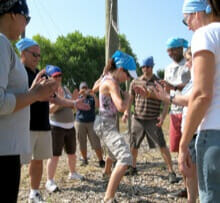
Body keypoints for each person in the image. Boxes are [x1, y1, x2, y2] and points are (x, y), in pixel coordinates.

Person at [0, 1, 57, 202]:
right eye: (27, 18)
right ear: (14, 14)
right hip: (4, 151)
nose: (26, 24)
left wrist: (35, 92)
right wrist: (35, 95)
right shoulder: (1, 43)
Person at [179, 0, 220, 202]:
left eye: (186, 19)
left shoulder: (205, 34)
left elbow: (202, 95)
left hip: (213, 133)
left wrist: (183, 142)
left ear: (198, 13)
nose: (188, 26)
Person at [122, 56, 177, 184]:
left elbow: (166, 102)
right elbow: (130, 99)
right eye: (143, 67)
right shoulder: (135, 82)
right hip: (138, 119)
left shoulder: (158, 82)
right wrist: (126, 112)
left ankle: (171, 171)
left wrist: (163, 116)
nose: (145, 69)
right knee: (133, 145)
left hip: (153, 119)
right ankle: (132, 167)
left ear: (152, 67)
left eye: (148, 66)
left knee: (162, 146)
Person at [154, 48, 198, 202]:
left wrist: (168, 95)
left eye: (188, 60)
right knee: (188, 168)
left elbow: (191, 100)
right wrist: (168, 93)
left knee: (193, 170)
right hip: (191, 130)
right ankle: (189, 195)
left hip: (197, 132)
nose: (186, 64)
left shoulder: (201, 78)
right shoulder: (192, 80)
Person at [94, 50, 137, 202]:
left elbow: (94, 88)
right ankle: (108, 197)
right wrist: (129, 98)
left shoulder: (107, 78)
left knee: (113, 152)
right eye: (128, 75)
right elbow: (120, 106)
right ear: (120, 69)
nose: (128, 78)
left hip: (103, 122)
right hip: (106, 124)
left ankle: (106, 175)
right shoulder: (112, 83)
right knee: (125, 157)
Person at [45, 65, 85, 193]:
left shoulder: (65, 89)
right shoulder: (48, 91)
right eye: (55, 76)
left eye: (60, 75)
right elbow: (49, 110)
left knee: (72, 153)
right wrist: (60, 101)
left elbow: (71, 107)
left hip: (70, 126)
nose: (58, 78)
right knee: (54, 155)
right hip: (56, 127)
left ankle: (73, 173)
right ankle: (49, 180)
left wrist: (74, 101)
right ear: (50, 77)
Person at [164, 37, 191, 153]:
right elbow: (166, 94)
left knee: (189, 147)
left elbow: (193, 85)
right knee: (175, 147)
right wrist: (163, 113)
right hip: (174, 112)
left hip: (188, 110)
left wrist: (173, 87)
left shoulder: (189, 63)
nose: (170, 53)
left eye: (173, 50)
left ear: (180, 48)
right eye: (168, 50)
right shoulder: (168, 68)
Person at [75, 81, 105, 167]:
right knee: (82, 142)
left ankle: (101, 160)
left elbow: (97, 106)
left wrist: (93, 95)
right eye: (82, 88)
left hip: (91, 122)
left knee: (96, 141)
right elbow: (73, 104)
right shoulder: (78, 97)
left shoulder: (91, 98)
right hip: (80, 122)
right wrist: (81, 95)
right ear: (80, 89)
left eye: (85, 88)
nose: (84, 90)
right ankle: (84, 159)